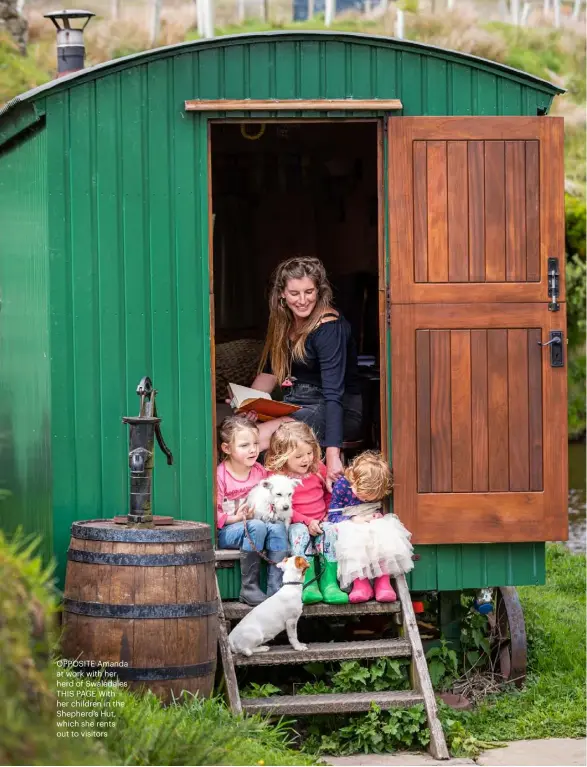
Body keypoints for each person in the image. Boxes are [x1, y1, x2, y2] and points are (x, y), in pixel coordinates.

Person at [244, 256, 362, 491]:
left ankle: (259, 498)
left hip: (336, 409)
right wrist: (248, 404)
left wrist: (332, 454)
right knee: (239, 431)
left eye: (309, 292)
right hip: (298, 404)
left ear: (319, 291)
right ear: (282, 295)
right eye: (295, 293)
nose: (302, 300)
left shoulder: (329, 328)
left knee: (252, 440)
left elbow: (333, 395)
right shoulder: (285, 323)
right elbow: (270, 372)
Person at [265, 421, 348, 605]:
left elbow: (328, 494)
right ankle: (308, 582)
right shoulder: (278, 478)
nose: (306, 459)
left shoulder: (317, 469)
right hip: (296, 524)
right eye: (299, 456)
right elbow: (282, 508)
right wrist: (306, 521)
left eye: (309, 453)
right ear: (283, 456)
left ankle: (329, 583)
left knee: (330, 531)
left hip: (320, 521)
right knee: (299, 533)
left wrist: (328, 514)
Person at [216, 415, 288, 606]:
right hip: (229, 531)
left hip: (257, 525)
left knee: (278, 527)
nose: (253, 449)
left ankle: (276, 587)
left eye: (256, 443)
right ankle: (250, 588)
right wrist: (236, 518)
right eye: (244, 445)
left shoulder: (259, 471)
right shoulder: (220, 475)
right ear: (227, 448)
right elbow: (215, 514)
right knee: (256, 526)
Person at [327, 451, 414, 604]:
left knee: (384, 534)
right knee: (355, 539)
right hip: (349, 522)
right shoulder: (342, 485)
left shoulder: (375, 491)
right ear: (354, 479)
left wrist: (376, 516)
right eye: (362, 495)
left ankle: (383, 582)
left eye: (369, 498)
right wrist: (353, 519)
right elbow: (333, 516)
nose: (365, 499)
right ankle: (361, 584)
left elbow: (378, 510)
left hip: (370, 520)